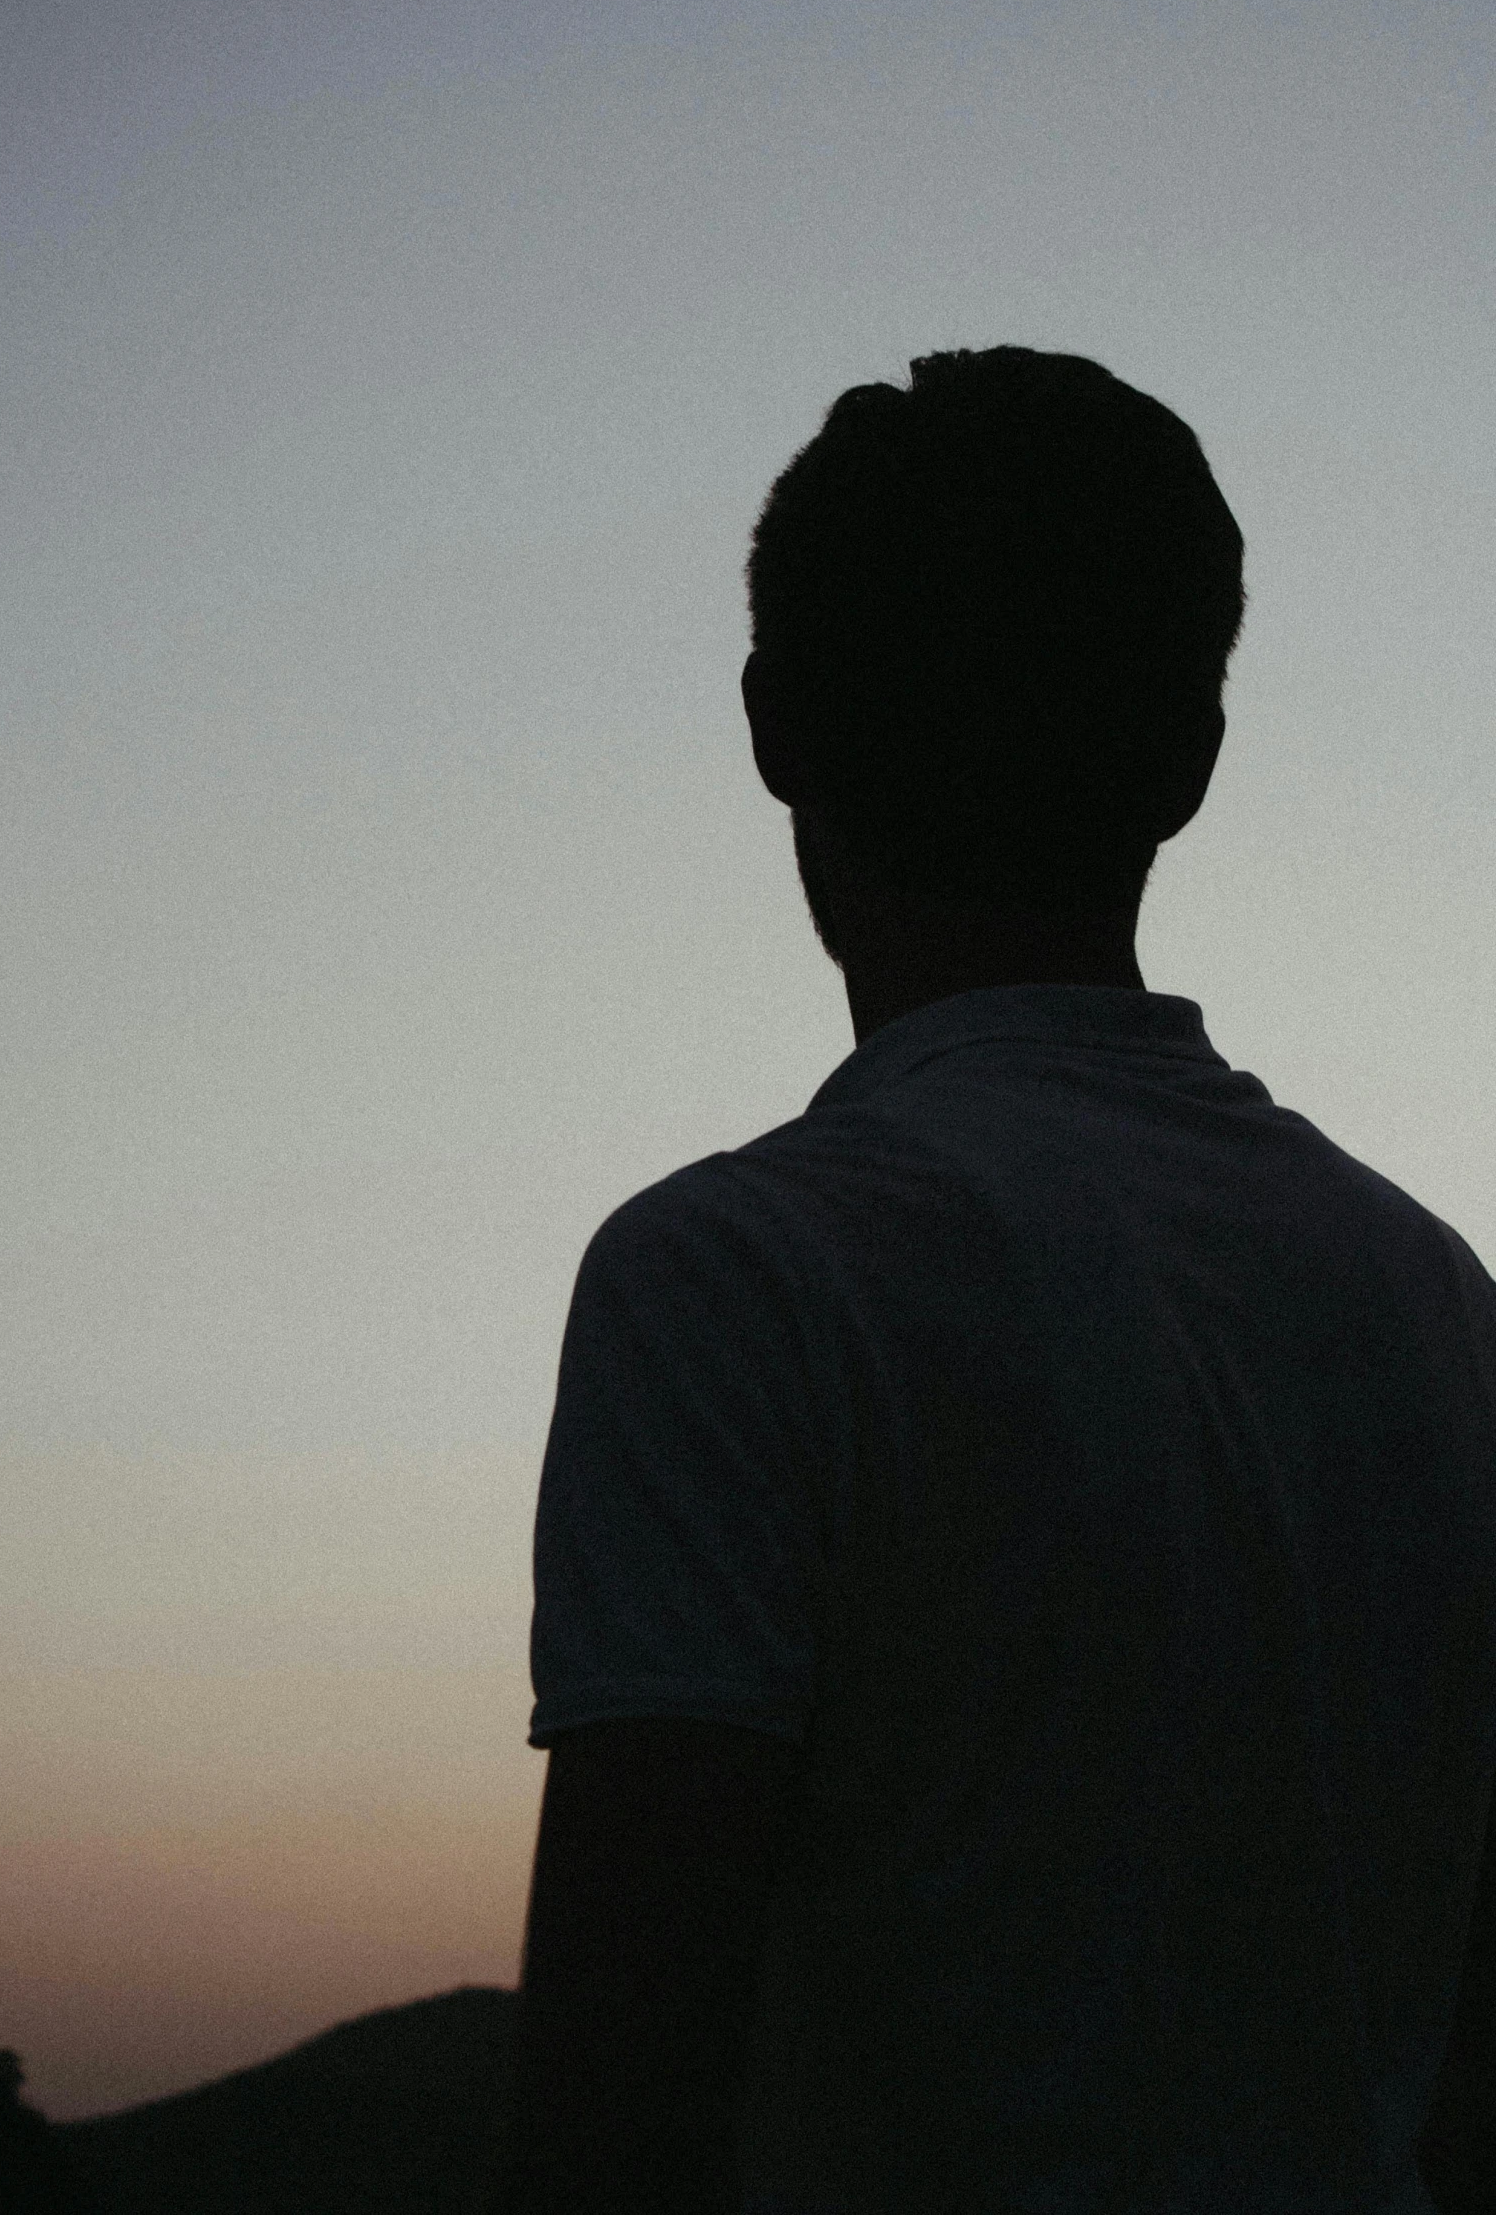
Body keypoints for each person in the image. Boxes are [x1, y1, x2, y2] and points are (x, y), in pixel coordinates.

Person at [491, 347, 1496, 2213]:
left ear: (770, 724)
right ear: (1192, 758)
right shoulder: (1438, 1307)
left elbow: (615, 2118)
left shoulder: (734, 1280)